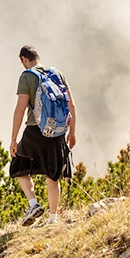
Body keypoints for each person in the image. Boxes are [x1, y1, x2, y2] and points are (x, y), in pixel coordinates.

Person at [9, 45, 77, 226]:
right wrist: (72, 132)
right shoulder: (56, 73)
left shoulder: (27, 76)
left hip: (35, 130)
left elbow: (20, 109)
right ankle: (53, 219)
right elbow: (72, 105)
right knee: (53, 176)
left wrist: (14, 139)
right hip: (58, 131)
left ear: (24, 59)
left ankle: (33, 204)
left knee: (18, 165)